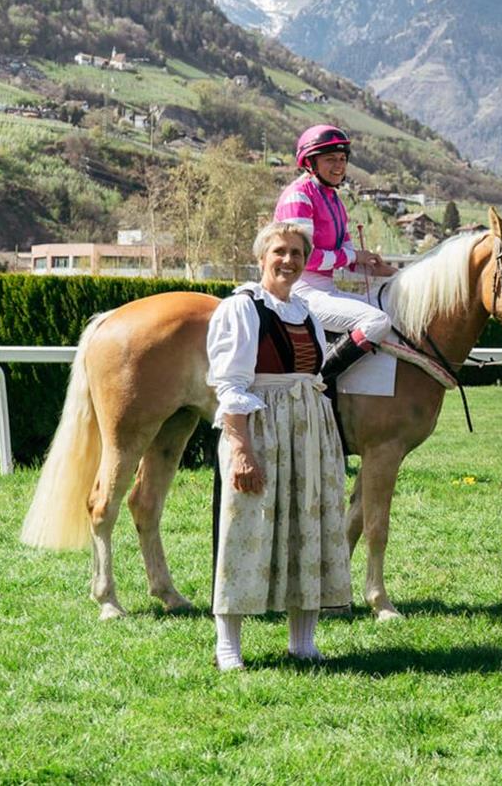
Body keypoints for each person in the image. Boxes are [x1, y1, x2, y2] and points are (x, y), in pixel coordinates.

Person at [204, 221, 351, 670]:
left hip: (308, 430)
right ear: (261, 257)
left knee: (307, 525)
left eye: (296, 253)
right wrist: (242, 449)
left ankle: (302, 641)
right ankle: (228, 643)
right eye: (279, 252)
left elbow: (316, 373)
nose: (288, 260)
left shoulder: (305, 310)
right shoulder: (243, 308)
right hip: (262, 429)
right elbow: (229, 383)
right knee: (247, 527)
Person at [272, 124, 400, 381]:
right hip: (297, 292)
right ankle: (320, 381)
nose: (339, 165)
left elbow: (348, 256)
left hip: (324, 290)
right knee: (378, 322)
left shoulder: (335, 200)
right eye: (330, 159)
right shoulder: (299, 196)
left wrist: (385, 271)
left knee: (390, 307)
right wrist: (354, 257)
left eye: (342, 159)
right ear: (310, 162)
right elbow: (304, 258)